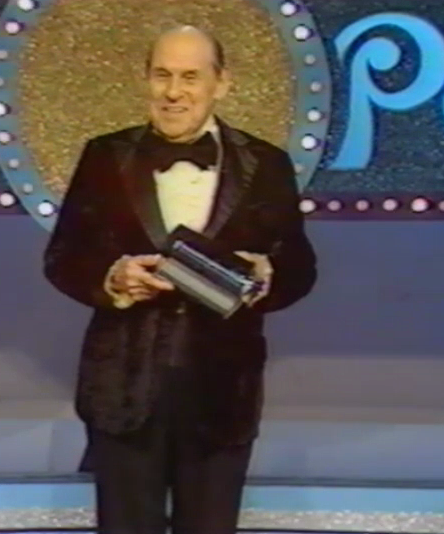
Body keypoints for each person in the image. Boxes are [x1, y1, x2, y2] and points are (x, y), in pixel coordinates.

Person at [44, 25, 317, 534]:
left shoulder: (267, 164)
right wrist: (112, 277)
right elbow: (62, 256)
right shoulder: (104, 155)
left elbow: (301, 266)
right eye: (162, 75)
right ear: (145, 79)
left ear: (222, 83)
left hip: (222, 394)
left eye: (190, 77)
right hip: (123, 391)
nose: (173, 92)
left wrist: (266, 275)